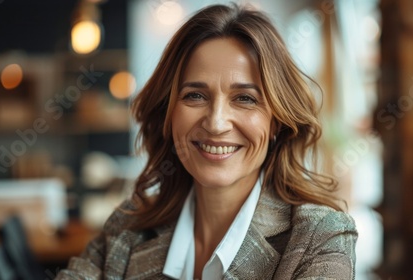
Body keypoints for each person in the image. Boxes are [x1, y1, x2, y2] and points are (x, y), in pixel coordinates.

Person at [57, 3, 357, 280]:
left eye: (245, 98)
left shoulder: (320, 237)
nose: (215, 123)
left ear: (277, 120)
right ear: (169, 113)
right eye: (195, 95)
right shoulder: (128, 227)